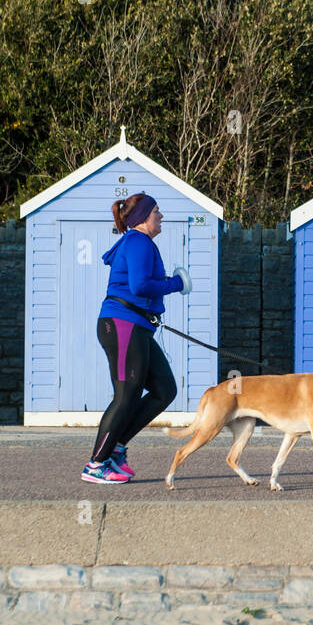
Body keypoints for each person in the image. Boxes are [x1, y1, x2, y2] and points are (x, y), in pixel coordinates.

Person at [83, 192, 192, 484]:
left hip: (137, 327)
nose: (161, 216)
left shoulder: (139, 243)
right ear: (143, 216)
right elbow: (141, 285)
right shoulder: (138, 241)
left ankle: (116, 447)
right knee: (126, 395)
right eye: (157, 210)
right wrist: (176, 284)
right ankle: (96, 465)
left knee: (165, 389)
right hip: (122, 325)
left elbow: (140, 284)